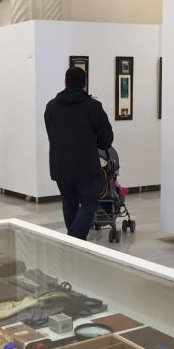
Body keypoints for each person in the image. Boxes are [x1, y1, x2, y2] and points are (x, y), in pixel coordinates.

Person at [44, 67, 114, 240]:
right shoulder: (93, 106)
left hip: (60, 166)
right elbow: (106, 139)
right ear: (85, 83)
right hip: (86, 167)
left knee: (69, 204)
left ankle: (72, 242)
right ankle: (74, 238)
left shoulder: (51, 106)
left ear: (65, 82)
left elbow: (51, 134)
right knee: (89, 203)